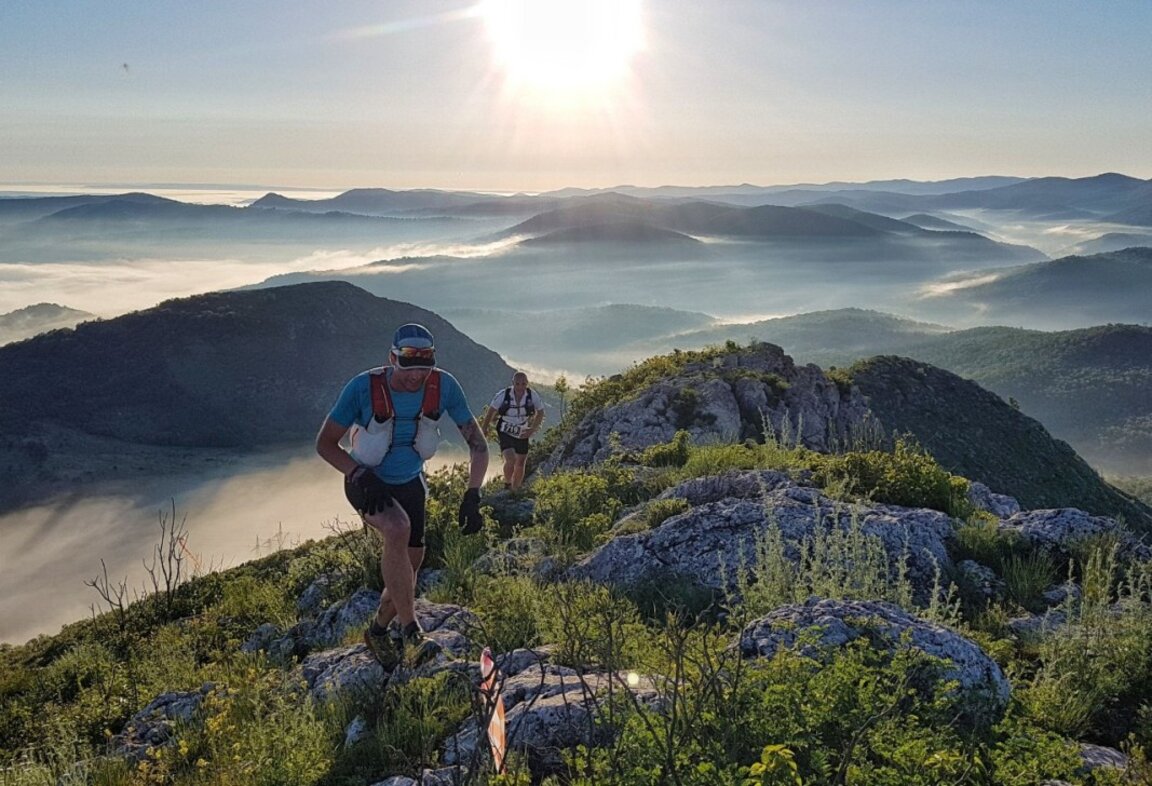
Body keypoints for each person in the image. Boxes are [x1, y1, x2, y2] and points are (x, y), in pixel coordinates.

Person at [315, 323, 488, 669]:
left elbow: (478, 444)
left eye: (423, 368)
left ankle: (378, 631)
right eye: (408, 368)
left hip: (410, 481)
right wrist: (357, 473)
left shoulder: (443, 387)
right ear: (392, 359)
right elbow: (324, 444)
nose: (416, 377)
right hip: (366, 482)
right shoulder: (363, 389)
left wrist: (473, 494)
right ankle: (412, 630)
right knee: (397, 528)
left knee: (409, 566)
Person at [480, 371, 545, 492]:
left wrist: (532, 429)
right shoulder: (503, 395)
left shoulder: (532, 395)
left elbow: (540, 412)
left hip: (522, 429)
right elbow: (491, 411)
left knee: (521, 461)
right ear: (513, 383)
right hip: (505, 428)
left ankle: (516, 489)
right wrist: (484, 428)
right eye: (518, 384)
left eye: (523, 384)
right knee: (510, 459)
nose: (520, 387)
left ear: (527, 384)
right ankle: (508, 483)